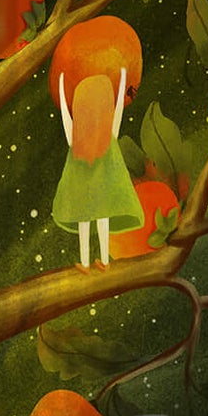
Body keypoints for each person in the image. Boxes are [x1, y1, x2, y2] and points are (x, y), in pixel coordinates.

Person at [52, 70, 142, 269]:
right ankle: (95, 262)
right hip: (93, 194)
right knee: (96, 221)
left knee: (93, 221)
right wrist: (122, 81)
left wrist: (61, 88)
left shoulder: (89, 138)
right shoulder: (87, 138)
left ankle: (95, 262)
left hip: (92, 195)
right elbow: (117, 110)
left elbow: (117, 110)